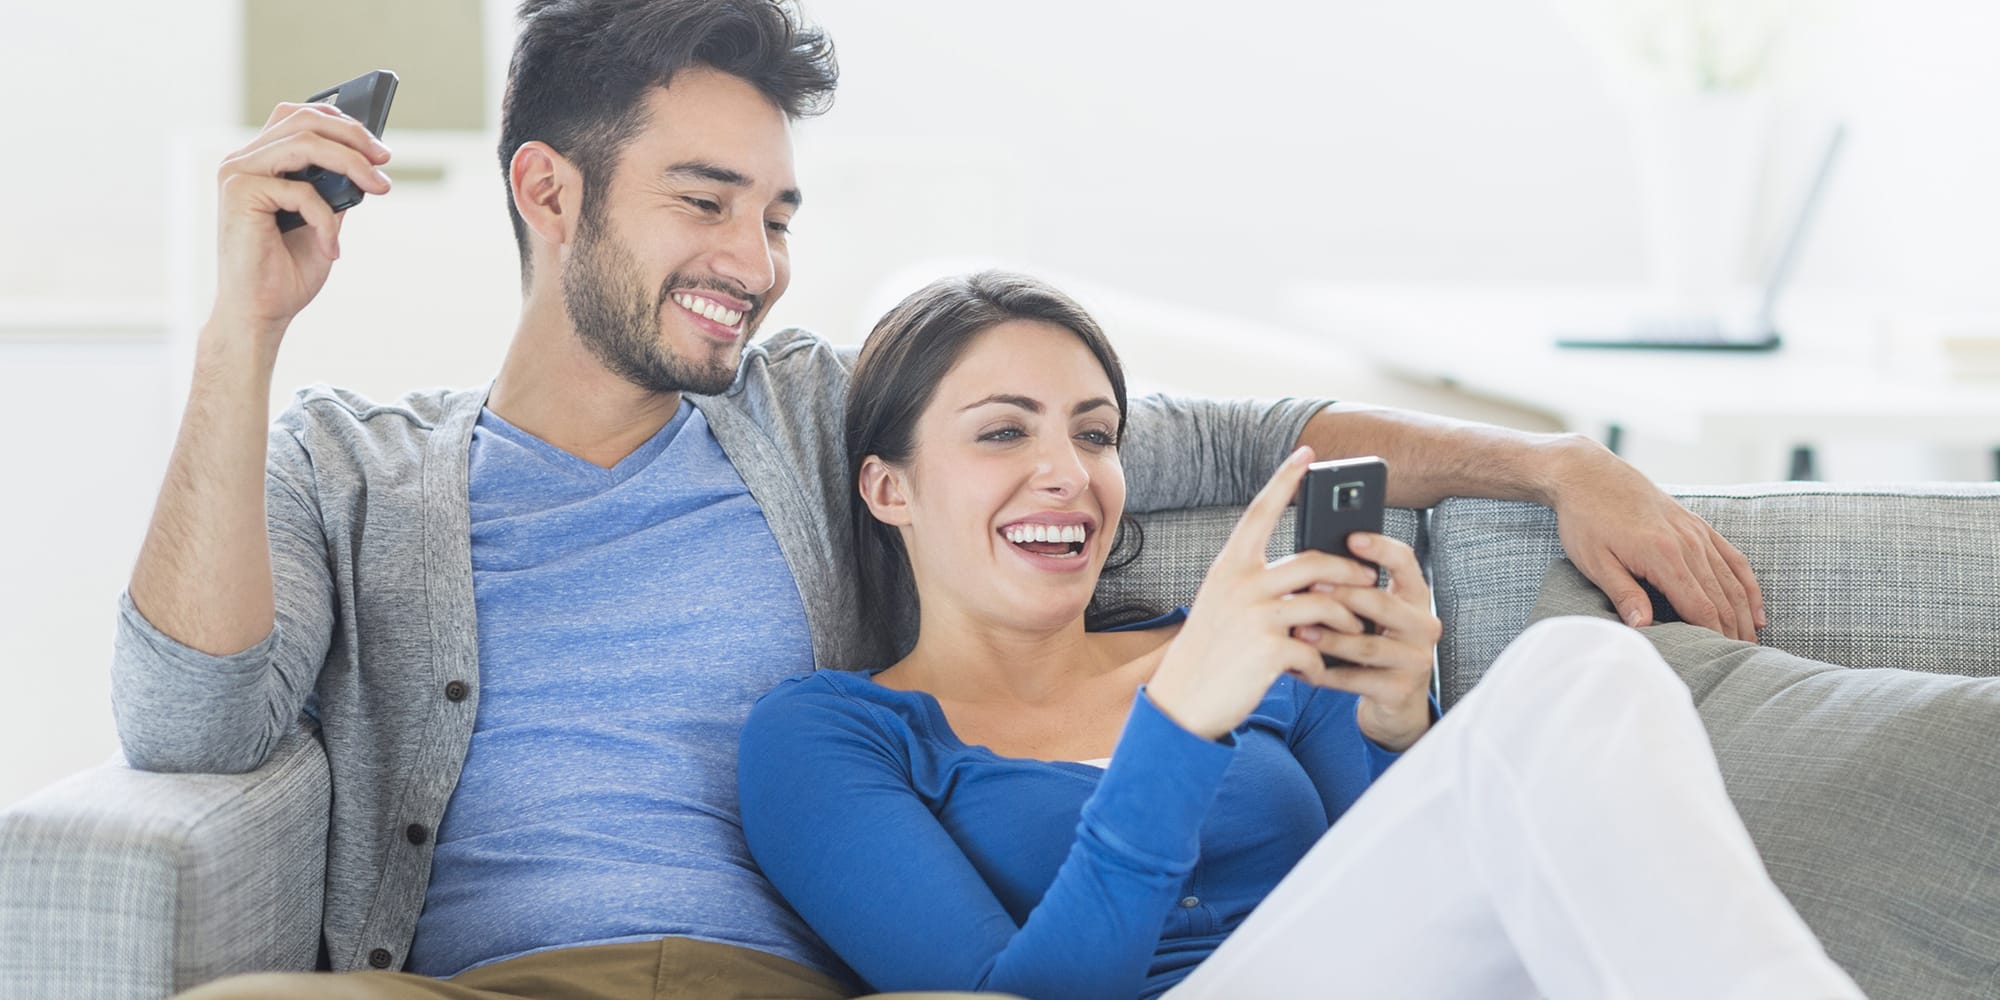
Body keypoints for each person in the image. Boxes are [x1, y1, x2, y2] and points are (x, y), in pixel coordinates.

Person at [118, 0, 1763, 996]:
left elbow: (1213, 437)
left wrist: (1555, 464)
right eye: (707, 203)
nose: (755, 266)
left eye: (776, 213)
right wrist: (242, 334)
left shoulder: (826, 416)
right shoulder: (358, 465)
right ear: (549, 192)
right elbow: (189, 724)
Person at [737, 271, 1865, 1000]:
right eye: (1001, 432)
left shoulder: (1261, 642)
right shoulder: (833, 734)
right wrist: (1179, 723)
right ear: (886, 487)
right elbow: (1012, 997)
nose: (1066, 473)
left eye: (1095, 433)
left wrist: (1393, 723)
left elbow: (1412, 895)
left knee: (1580, 665)